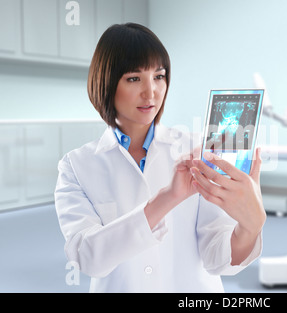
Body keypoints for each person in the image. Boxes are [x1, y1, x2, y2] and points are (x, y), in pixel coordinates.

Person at [54, 23, 266, 293]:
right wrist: (168, 198)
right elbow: (87, 256)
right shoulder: (76, 166)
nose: (151, 91)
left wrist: (250, 227)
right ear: (106, 83)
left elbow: (217, 257)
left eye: (159, 76)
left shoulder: (197, 151)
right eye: (134, 78)